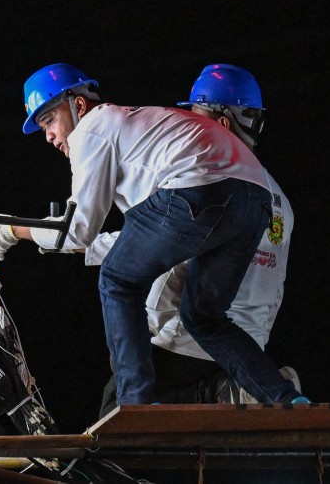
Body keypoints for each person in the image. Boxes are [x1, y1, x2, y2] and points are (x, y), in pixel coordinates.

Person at [0, 63, 306, 406]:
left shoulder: (93, 129)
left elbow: (79, 231)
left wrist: (16, 228)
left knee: (117, 280)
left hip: (180, 325)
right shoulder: (267, 188)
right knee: (205, 317)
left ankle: (136, 403)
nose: (48, 136)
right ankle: (283, 397)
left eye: (49, 121)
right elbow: (144, 239)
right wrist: (40, 232)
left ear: (79, 105)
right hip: (254, 208)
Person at [96, 64, 298, 413]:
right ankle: (236, 388)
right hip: (246, 352)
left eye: (195, 117)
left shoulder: (204, 182)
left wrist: (33, 233)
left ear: (222, 124)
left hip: (179, 344)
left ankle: (213, 390)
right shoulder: (277, 199)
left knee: (117, 416)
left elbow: (148, 246)